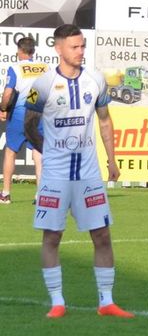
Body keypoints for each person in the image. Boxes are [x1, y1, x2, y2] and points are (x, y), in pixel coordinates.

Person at [24, 24, 131, 318]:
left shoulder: (95, 80)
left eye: (83, 46)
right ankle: (57, 302)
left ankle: (106, 302)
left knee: (103, 236)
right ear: (59, 48)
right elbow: (29, 124)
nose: (81, 52)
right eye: (75, 47)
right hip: (55, 177)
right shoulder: (42, 85)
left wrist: (112, 160)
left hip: (89, 176)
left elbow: (105, 120)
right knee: (52, 237)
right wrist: (50, 151)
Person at [2, 37, 46, 204]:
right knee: (38, 152)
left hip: (20, 114)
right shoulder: (45, 67)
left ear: (19, 51)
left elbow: (7, 94)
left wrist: (3, 108)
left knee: (11, 151)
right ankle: (40, 195)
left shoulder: (15, 67)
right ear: (33, 51)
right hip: (39, 114)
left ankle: (5, 194)